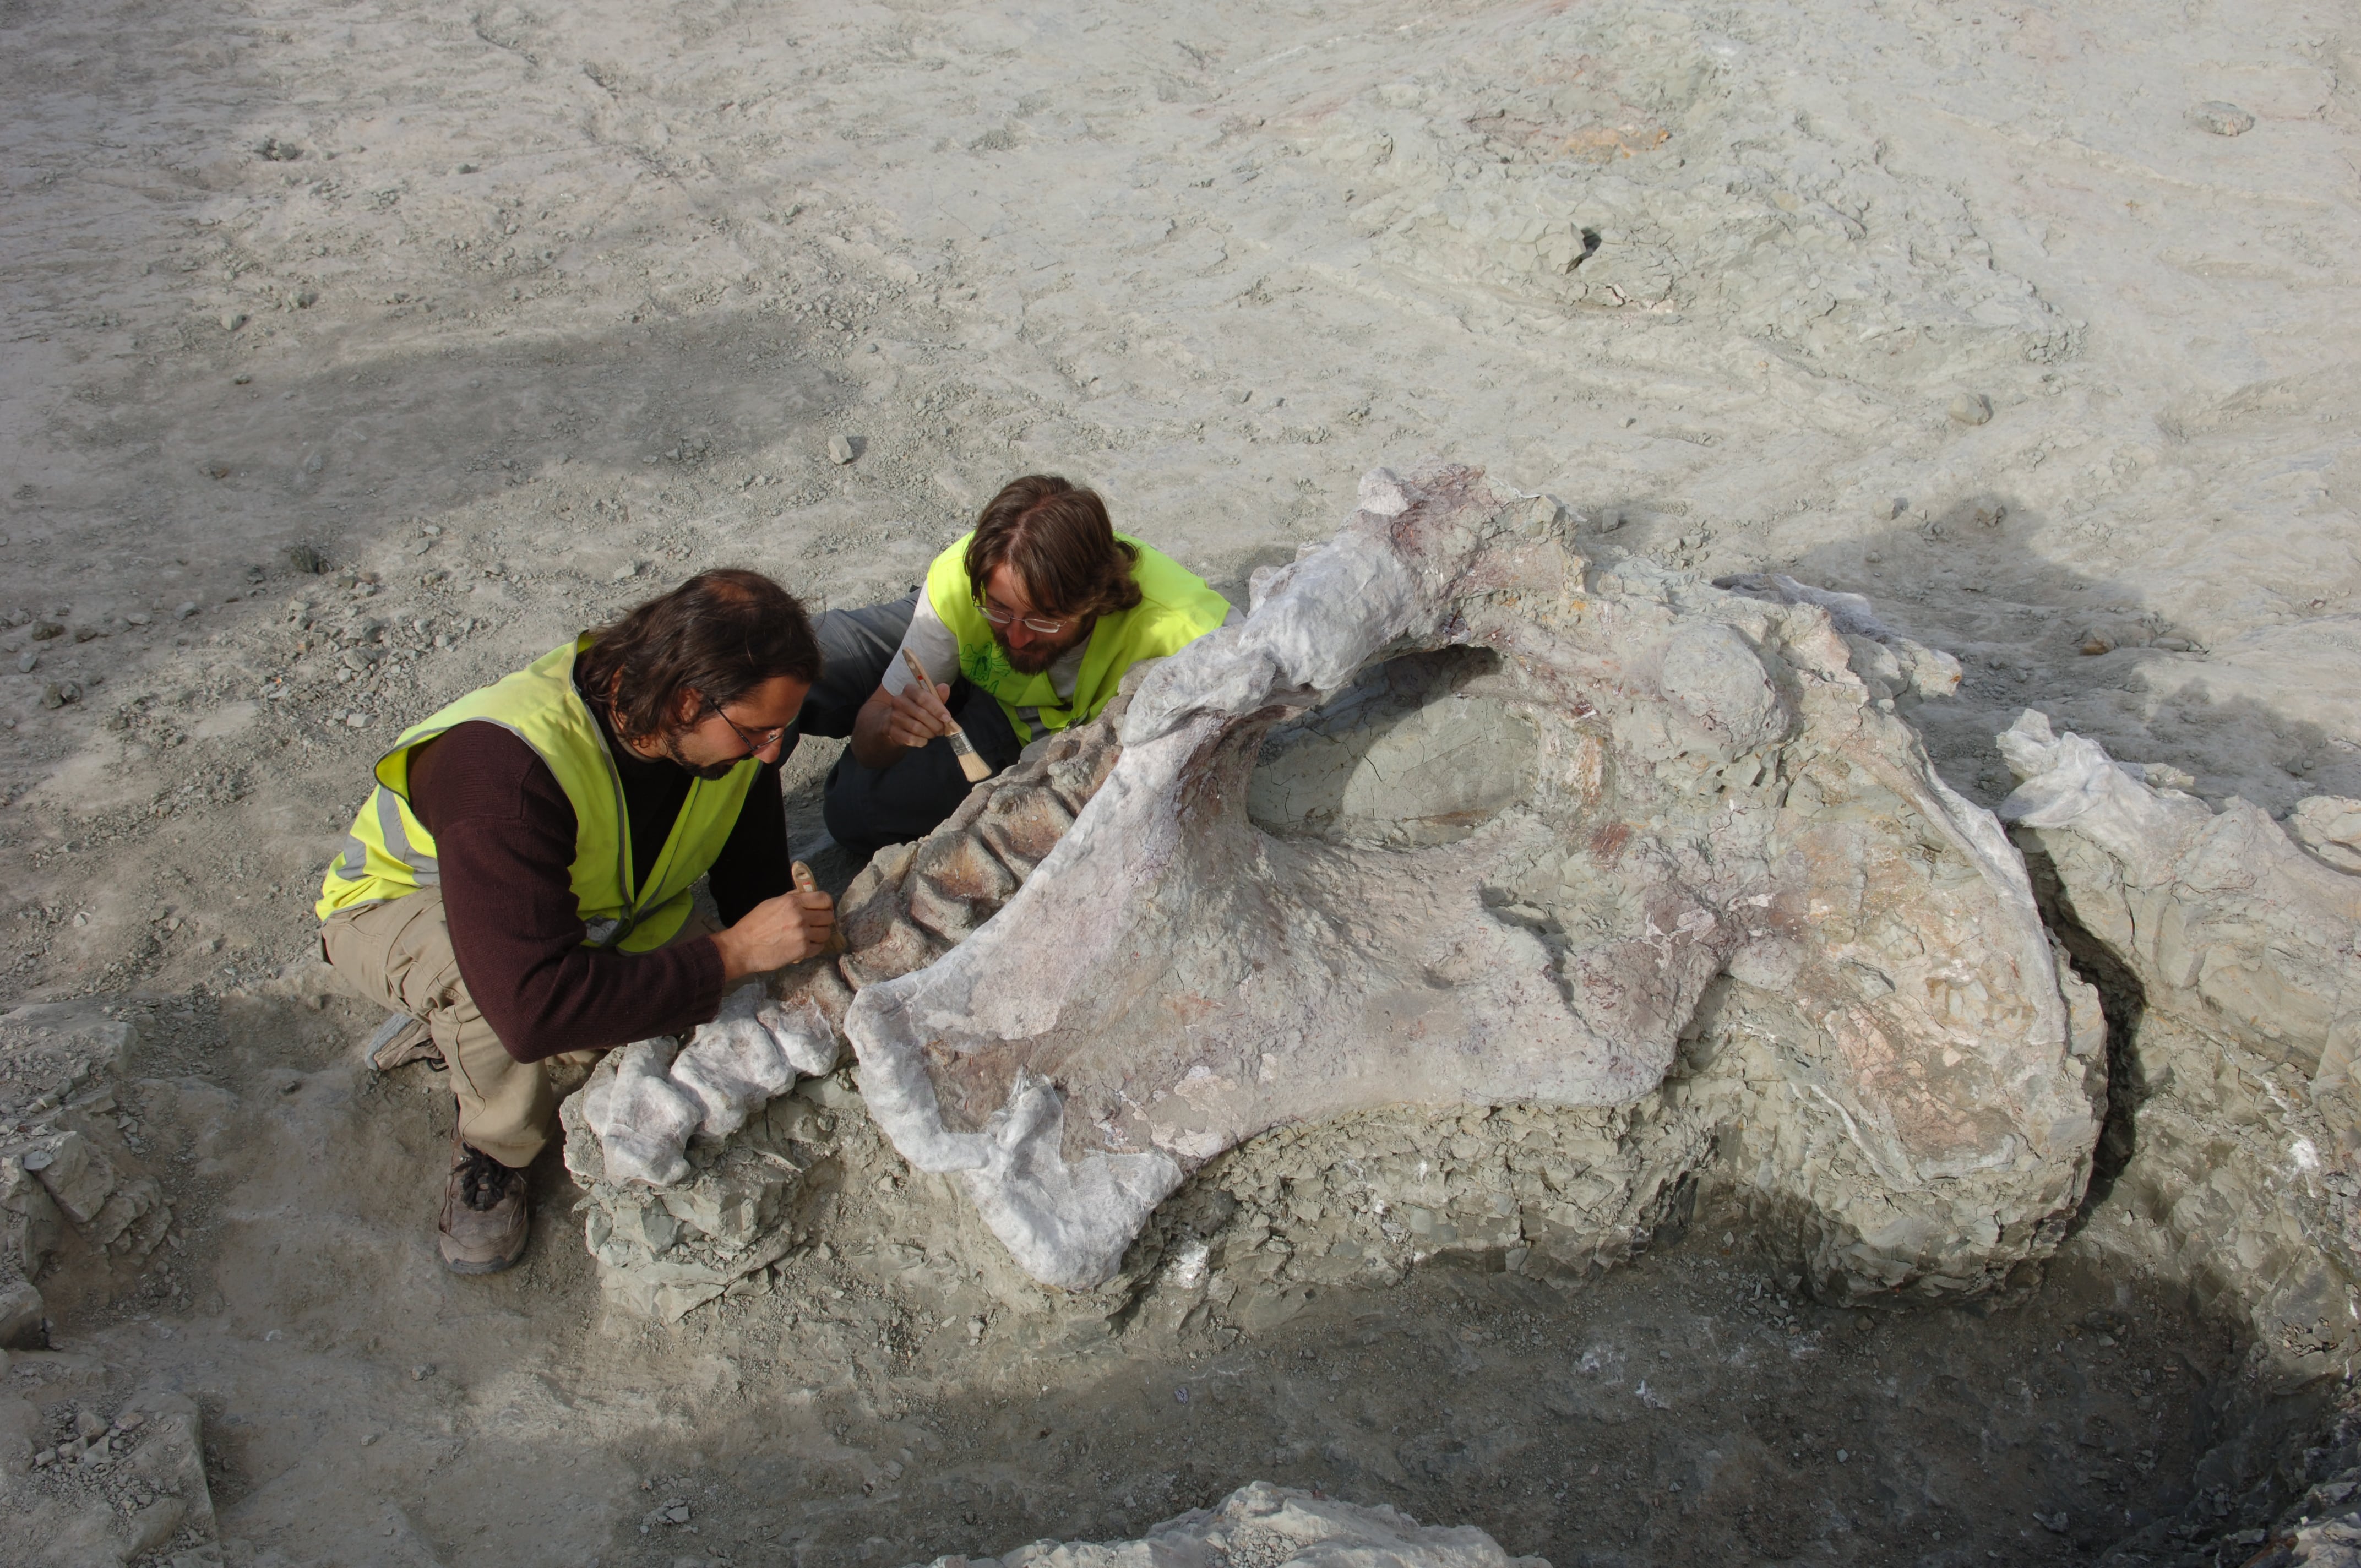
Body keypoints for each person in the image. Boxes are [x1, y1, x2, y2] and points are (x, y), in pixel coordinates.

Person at [314, 569, 838, 1275]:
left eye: (782, 729)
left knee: (683, 1007)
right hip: (405, 901)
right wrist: (731, 954)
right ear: (688, 698)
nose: (774, 751)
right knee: (505, 1010)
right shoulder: (504, 767)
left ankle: (475, 1018)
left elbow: (753, 881)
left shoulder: (725, 735)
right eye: (757, 733)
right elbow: (537, 1009)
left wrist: (787, 936)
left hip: (593, 909)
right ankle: (493, 1152)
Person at [791, 474, 1233, 858]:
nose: (1018, 638)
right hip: (960, 639)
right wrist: (891, 729)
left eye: (1044, 619)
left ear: (1095, 600)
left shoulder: (1187, 629)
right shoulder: (960, 584)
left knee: (855, 811)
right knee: (787, 656)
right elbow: (877, 725)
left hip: (1021, 717)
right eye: (1001, 609)